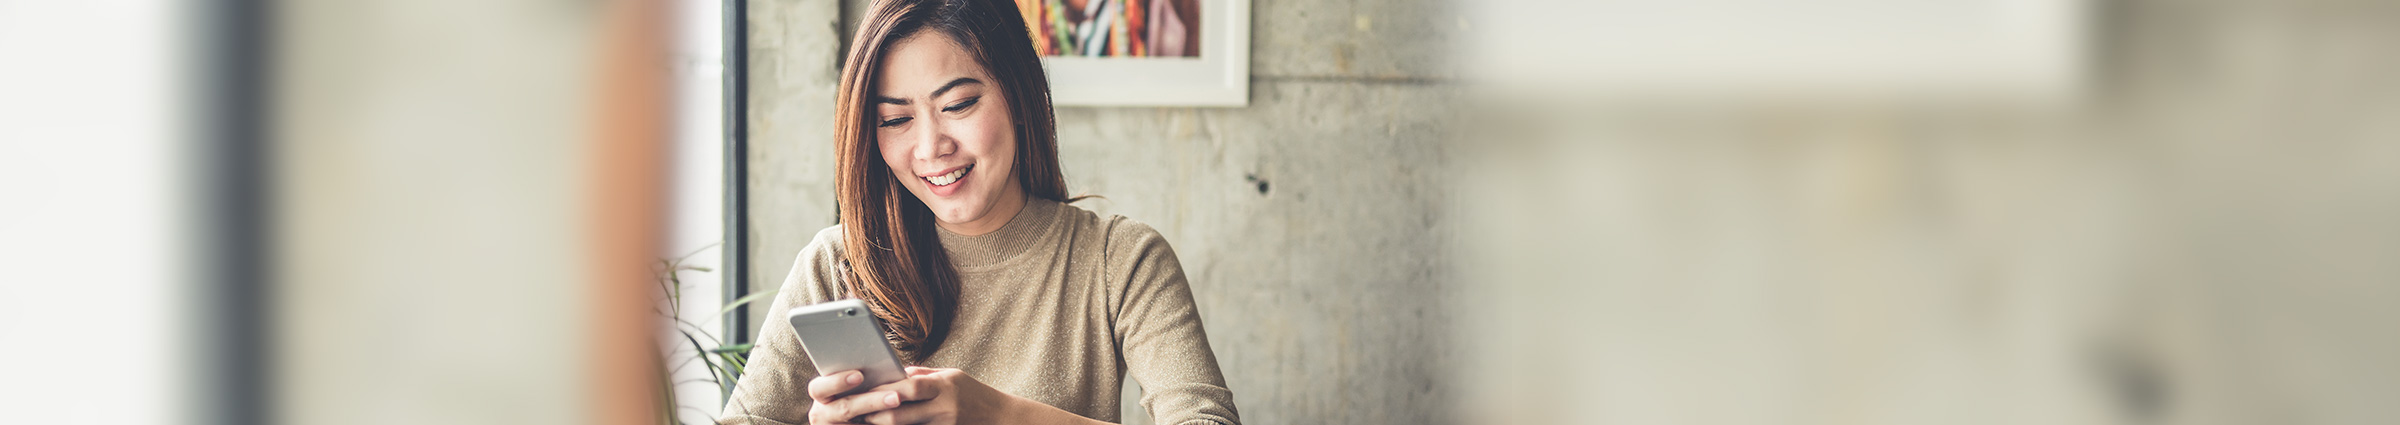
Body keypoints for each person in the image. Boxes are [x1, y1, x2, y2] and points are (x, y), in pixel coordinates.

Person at [716, 0, 1240, 424]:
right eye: (896, 119)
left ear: (1018, 93)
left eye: (959, 105)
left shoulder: (1119, 260)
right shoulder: (837, 263)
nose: (930, 147)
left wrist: (998, 414)